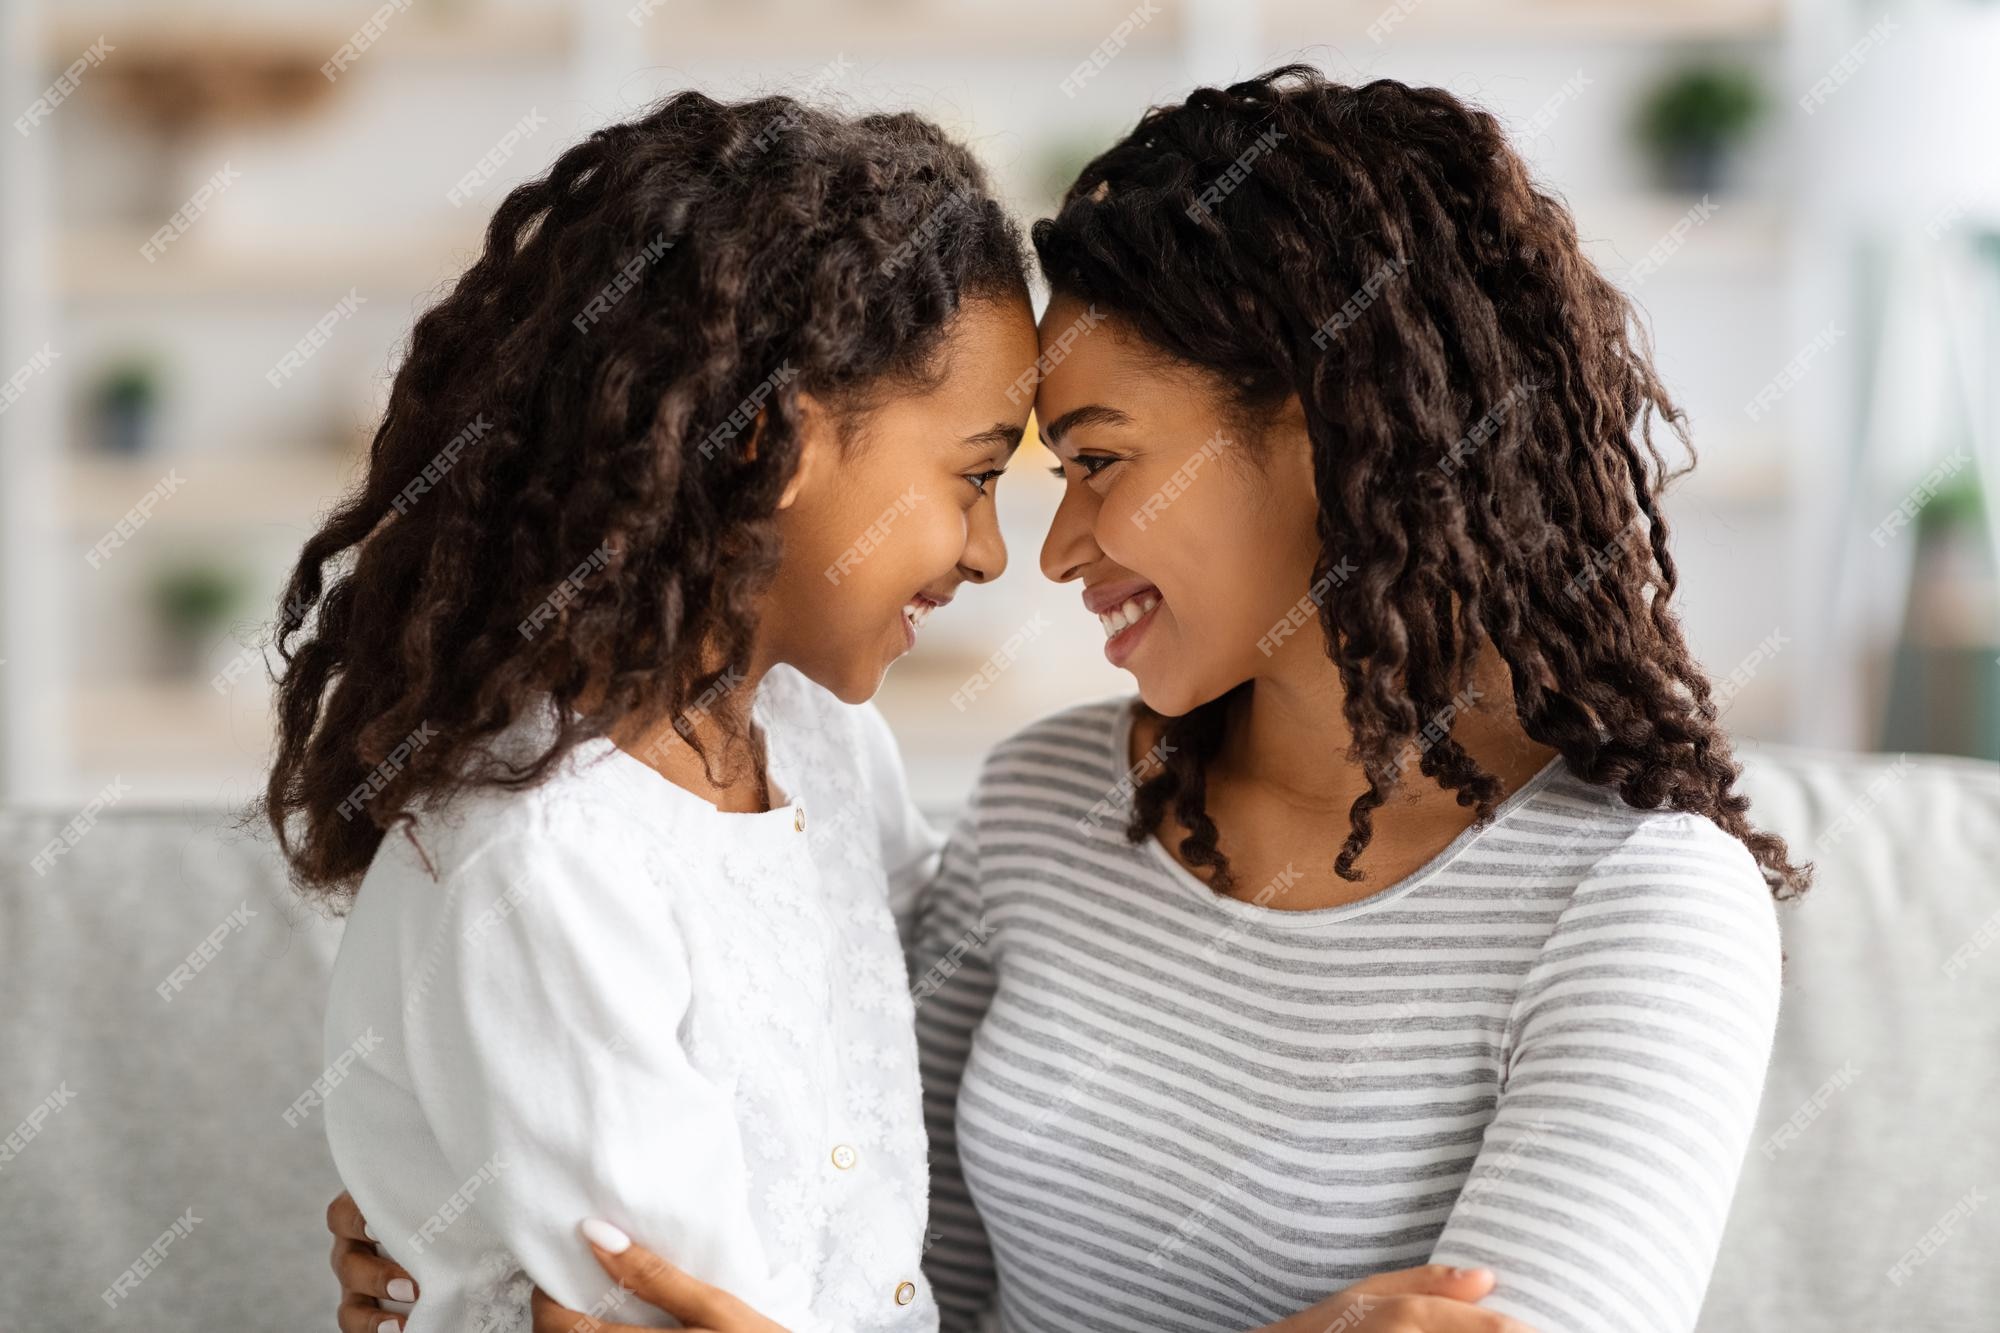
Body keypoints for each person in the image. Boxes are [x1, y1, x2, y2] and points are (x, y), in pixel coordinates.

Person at [328, 67, 1803, 1333]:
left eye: (1096, 460)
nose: (1044, 547)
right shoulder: (1048, 809)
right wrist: (456, 1257)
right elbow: (858, 1255)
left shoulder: (1640, 907)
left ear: (1320, 432)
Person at [269, 87, 1039, 1332]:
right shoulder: (550, 860)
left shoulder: (825, 742)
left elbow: (899, 1025)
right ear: (772, 444)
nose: (993, 553)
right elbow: (681, 1305)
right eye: (976, 476)